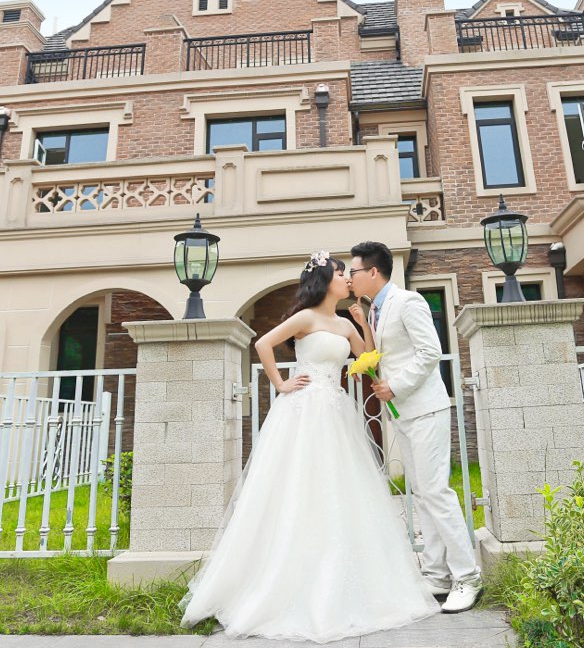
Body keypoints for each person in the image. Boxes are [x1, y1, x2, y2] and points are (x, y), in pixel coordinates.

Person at [180, 251, 439, 643]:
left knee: (338, 490)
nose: (347, 278)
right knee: (298, 487)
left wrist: (361, 324)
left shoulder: (344, 323)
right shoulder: (305, 318)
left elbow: (368, 358)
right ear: (324, 281)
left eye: (348, 272)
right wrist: (281, 384)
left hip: (335, 412)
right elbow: (264, 344)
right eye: (340, 273)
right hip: (302, 411)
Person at [347, 240, 483, 613]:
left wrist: (396, 385)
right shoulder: (375, 309)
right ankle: (437, 574)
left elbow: (429, 352)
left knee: (436, 492)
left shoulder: (408, 302)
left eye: (353, 272)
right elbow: (384, 355)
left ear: (373, 271)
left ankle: (468, 576)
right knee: (421, 493)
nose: (350, 278)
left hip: (425, 409)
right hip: (405, 415)